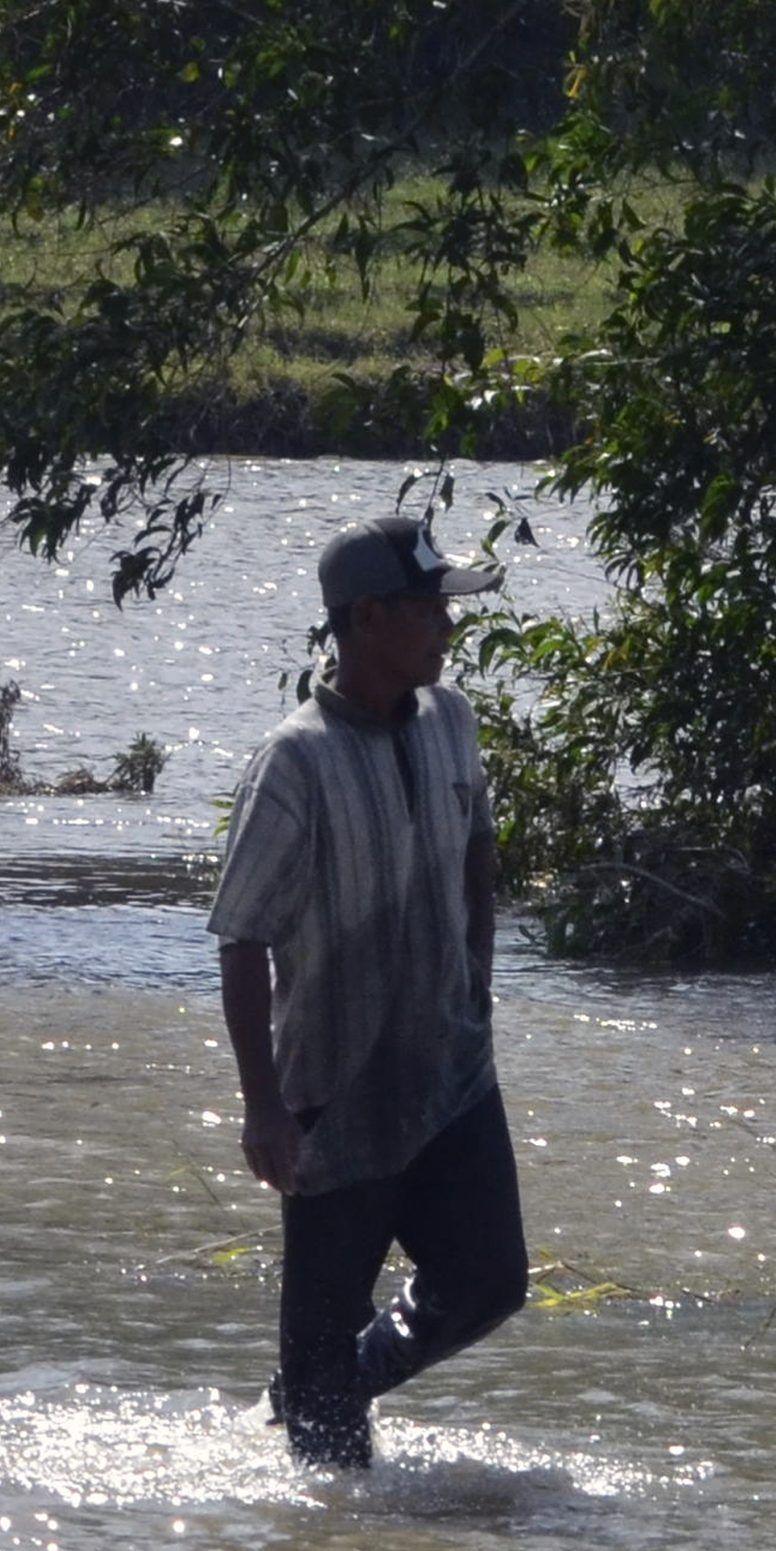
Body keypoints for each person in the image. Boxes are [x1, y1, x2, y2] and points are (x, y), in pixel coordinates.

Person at [210, 513, 529, 1467]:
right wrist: (262, 1108)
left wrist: (476, 971)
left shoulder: (452, 721)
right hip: (333, 1097)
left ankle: (319, 1383)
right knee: (328, 1458)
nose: (446, 628)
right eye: (430, 610)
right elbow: (241, 937)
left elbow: (477, 842)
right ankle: (333, 1543)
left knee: (488, 1281)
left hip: (450, 1073)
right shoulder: (295, 763)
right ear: (368, 620)